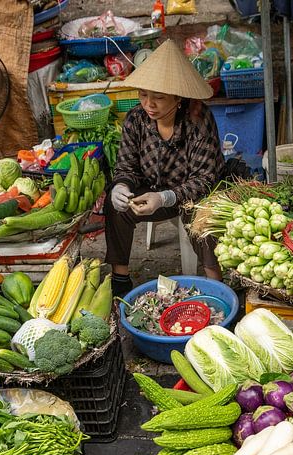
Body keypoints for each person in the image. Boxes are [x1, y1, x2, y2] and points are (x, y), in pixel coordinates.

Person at [104, 39, 225, 297]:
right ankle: (120, 279)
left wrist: (165, 197)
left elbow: (204, 179)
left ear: (178, 97)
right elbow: (126, 164)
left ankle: (217, 284)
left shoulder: (198, 119)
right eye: (144, 95)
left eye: (158, 97)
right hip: (151, 191)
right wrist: (122, 187)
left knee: (203, 218)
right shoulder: (136, 119)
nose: (149, 104)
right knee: (116, 206)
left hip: (193, 194)